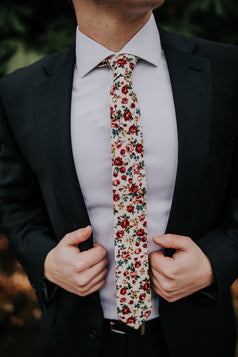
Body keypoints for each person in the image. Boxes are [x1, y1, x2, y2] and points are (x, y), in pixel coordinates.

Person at [0, 0, 238, 356]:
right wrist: (47, 260)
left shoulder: (227, 69)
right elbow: (14, 204)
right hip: (76, 339)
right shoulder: (19, 92)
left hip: (197, 338)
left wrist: (214, 262)